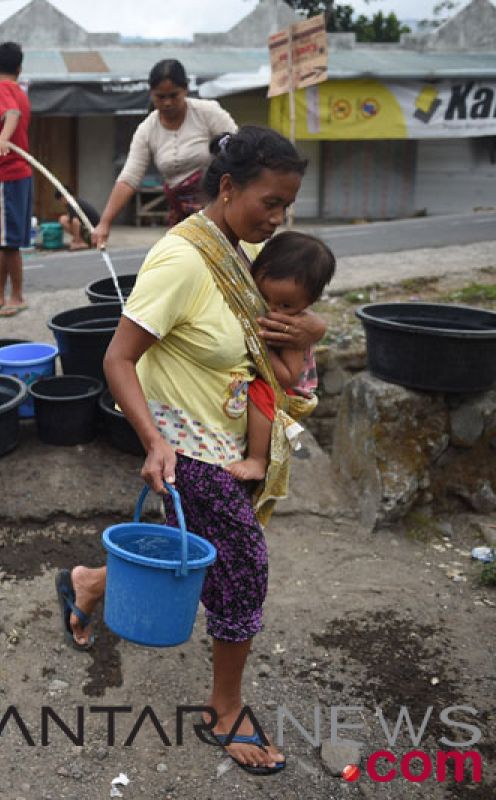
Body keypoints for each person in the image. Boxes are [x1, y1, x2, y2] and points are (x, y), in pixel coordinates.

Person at [56, 126, 327, 776]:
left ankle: (89, 584)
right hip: (186, 450)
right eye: (269, 201)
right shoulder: (184, 259)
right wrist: (152, 442)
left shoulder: (240, 251)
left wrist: (313, 329)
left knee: (199, 553)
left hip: (226, 439)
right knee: (243, 568)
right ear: (228, 188)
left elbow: (275, 336)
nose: (278, 217)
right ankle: (224, 709)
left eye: (287, 204)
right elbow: (118, 359)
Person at [226, 232, 336, 481]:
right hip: (278, 376)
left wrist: (259, 348)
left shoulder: (292, 330)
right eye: (264, 297)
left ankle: (257, 460)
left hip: (288, 389)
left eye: (286, 305)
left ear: (310, 301)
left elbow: (288, 377)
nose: (273, 309)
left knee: (258, 392)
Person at [93, 59, 237, 249]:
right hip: (181, 215)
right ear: (151, 94)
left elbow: (238, 149)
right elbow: (129, 178)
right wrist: (105, 222)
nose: (167, 102)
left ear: (185, 89)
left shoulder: (207, 112)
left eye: (173, 95)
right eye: (160, 97)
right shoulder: (146, 130)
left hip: (217, 208)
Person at [0, 41, 33, 316]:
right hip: (16, 173)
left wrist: (2, 140)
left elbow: (12, 116)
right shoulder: (19, 91)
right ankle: (1, 296)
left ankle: (15, 296)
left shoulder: (1, 88)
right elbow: (11, 117)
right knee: (5, 240)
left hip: (8, 172)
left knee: (8, 241)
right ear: (19, 67)